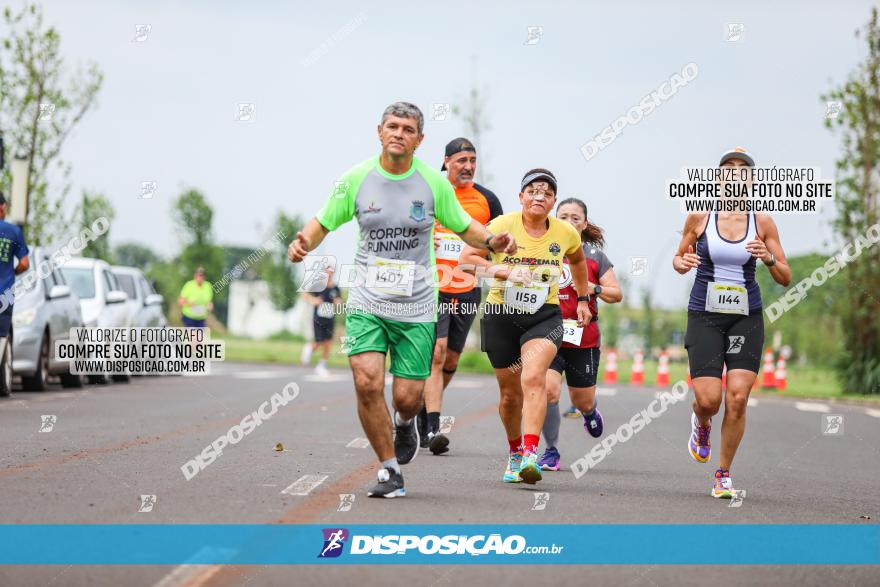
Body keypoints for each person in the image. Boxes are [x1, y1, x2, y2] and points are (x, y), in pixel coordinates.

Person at [287, 102, 516, 498]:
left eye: (408, 129)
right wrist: (304, 241)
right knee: (366, 380)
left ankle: (405, 422)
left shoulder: (433, 183)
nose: (398, 133)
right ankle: (389, 470)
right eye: (392, 126)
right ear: (379, 131)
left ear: (419, 140)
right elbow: (324, 220)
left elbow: (467, 228)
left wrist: (494, 241)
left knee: (408, 398)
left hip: (417, 304)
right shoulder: (356, 178)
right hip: (367, 301)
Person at [672, 147, 791, 498]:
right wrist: (682, 262)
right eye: (729, 168)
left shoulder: (763, 221)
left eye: (744, 169)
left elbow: (785, 276)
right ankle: (702, 422)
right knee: (709, 399)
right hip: (705, 315)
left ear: (752, 180)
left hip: (746, 317)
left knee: (737, 398)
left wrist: (768, 257)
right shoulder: (700, 216)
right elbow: (680, 257)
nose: (736, 173)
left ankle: (723, 473)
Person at [460, 169, 591, 485]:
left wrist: (584, 298)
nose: (539, 197)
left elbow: (577, 262)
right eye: (532, 191)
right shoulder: (501, 226)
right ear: (521, 197)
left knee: (534, 378)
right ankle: (516, 451)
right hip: (501, 314)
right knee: (509, 396)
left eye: (546, 193)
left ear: (553, 201)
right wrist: (502, 270)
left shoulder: (565, 233)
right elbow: (466, 260)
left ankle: (531, 455)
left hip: (544, 315)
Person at [417, 137, 503, 455]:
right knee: (437, 353)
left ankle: (426, 410)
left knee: (452, 358)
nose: (467, 166)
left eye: (472, 160)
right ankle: (433, 428)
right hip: (433, 288)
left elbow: (498, 244)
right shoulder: (431, 193)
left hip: (468, 287)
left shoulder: (487, 200)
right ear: (446, 161)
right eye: (461, 160)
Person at [537, 197, 623, 471]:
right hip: (547, 334)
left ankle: (589, 411)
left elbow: (616, 294)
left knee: (580, 399)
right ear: (554, 219)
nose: (570, 222)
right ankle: (550, 451)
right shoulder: (542, 250)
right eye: (564, 216)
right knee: (549, 391)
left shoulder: (595, 257)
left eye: (576, 217)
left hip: (583, 339)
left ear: (584, 224)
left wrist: (591, 288)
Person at [0, 192, 30, 389]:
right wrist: (12, 270)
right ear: (2, 207)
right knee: (2, 335)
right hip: (5, 293)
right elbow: (25, 263)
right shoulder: (13, 231)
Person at [300, 264, 343, 376]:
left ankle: (321, 366)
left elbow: (339, 301)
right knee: (319, 342)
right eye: (327, 271)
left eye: (331, 271)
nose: (329, 273)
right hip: (318, 318)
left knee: (328, 343)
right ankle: (309, 348)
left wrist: (338, 302)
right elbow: (304, 294)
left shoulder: (336, 288)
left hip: (330, 317)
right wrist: (313, 300)